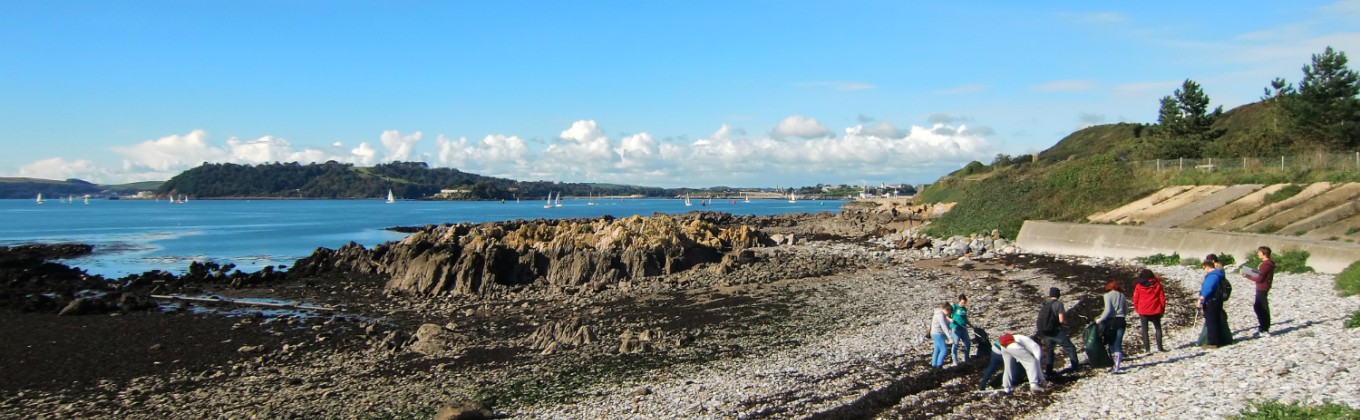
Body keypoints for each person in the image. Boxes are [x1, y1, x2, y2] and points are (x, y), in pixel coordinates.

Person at [1036, 287, 1079, 376]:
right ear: (1058, 295)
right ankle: (1075, 367)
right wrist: (1066, 324)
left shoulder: (1045, 304)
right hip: (1056, 331)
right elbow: (1061, 320)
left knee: (1050, 351)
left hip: (1046, 332)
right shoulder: (1058, 304)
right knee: (1070, 348)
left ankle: (1049, 371)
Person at [1097, 279, 1131, 373]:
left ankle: (1114, 364)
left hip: (1111, 321)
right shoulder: (1122, 295)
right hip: (1121, 321)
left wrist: (1100, 319)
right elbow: (1126, 310)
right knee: (1118, 343)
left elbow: (1107, 310)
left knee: (1111, 343)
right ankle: (1117, 364)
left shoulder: (1107, 295)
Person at [1131, 269, 1167, 353]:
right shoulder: (1157, 285)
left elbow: (1135, 299)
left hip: (1143, 311)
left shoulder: (1139, 286)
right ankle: (1160, 348)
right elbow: (1162, 298)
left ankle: (1147, 350)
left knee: (1145, 330)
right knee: (1158, 328)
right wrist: (1162, 309)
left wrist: (1137, 309)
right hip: (1155, 310)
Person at [1243, 246, 1275, 337]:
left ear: (1264, 253)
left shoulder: (1266, 264)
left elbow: (1260, 278)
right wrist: (1249, 271)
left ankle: (1264, 329)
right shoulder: (1267, 263)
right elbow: (1260, 274)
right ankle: (1263, 327)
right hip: (1262, 287)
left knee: (1261, 307)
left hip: (1262, 287)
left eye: (1259, 252)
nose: (1258, 254)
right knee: (1258, 307)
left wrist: (1247, 276)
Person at [1199, 259, 1230, 348]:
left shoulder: (1212, 276)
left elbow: (1208, 288)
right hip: (1217, 300)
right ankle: (1221, 340)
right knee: (1217, 320)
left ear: (1207, 267)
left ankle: (1213, 342)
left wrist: (1202, 297)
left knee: (1211, 321)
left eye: (1204, 268)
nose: (1204, 270)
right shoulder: (1219, 274)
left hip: (1211, 301)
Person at [929, 302, 955, 367]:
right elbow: (944, 327)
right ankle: (939, 365)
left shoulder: (940, 314)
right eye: (949, 313)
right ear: (947, 310)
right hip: (938, 334)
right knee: (944, 350)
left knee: (937, 350)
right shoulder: (940, 315)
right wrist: (950, 338)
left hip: (935, 333)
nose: (949, 314)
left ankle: (934, 365)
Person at [950, 294, 972, 364]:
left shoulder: (964, 309)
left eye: (964, 303)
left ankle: (966, 358)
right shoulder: (955, 307)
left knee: (967, 343)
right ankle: (954, 360)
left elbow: (965, 318)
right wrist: (950, 320)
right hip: (955, 327)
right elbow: (947, 314)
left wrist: (971, 325)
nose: (963, 304)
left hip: (963, 327)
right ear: (959, 301)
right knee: (955, 343)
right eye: (962, 303)